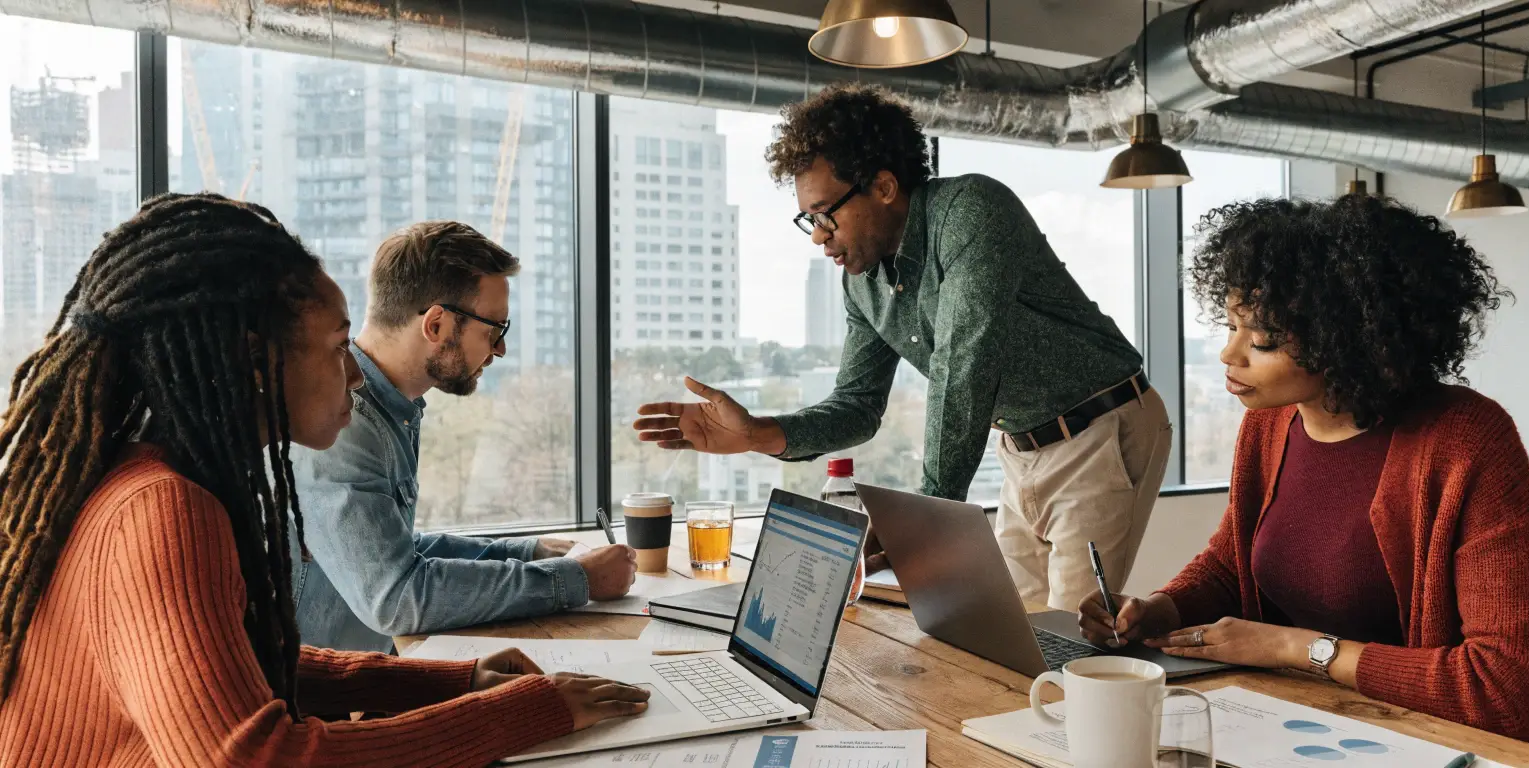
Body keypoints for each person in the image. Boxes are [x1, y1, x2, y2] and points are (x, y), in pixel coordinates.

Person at [0, 194, 648, 766]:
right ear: (260, 362)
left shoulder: (150, 481)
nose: (358, 375)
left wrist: (453, 682)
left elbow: (245, 663)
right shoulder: (164, 509)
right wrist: (520, 713)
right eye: (340, 346)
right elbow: (258, 759)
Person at [633, 84, 1171, 610]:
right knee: (1011, 635)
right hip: (1020, 450)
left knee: (1069, 638)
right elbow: (858, 407)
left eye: (826, 214)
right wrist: (759, 435)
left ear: (885, 187)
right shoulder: (862, 283)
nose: (819, 235)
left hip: (1099, 428)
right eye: (809, 220)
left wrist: (924, 526)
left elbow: (964, 367)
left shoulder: (970, 212)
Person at [1077, 194, 1529, 741]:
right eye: (1230, 327)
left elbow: (1508, 686)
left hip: (1415, 742)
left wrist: (1294, 648)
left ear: (1349, 340)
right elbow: (1234, 563)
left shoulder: (1465, 442)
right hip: (1290, 723)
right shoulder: (1271, 424)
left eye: (1263, 339)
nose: (1231, 355)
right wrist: (1159, 610)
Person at [291, 221, 637, 653]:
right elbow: (397, 598)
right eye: (495, 330)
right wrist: (578, 580)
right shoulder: (345, 423)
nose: (500, 350)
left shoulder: (390, 410)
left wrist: (529, 551)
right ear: (435, 324)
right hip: (324, 700)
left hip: (366, 675)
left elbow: (394, 548)